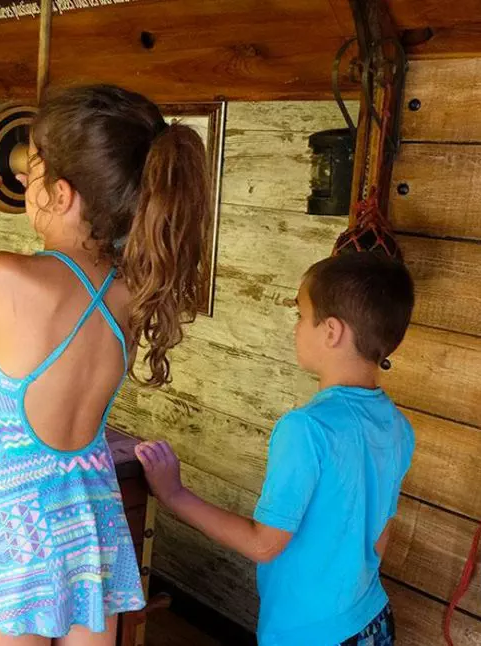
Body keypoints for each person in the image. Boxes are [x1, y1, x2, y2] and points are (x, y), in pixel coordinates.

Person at [0, 85, 213, 645]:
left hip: (15, 530)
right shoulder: (130, 291)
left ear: (63, 193)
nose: (24, 184)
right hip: (90, 521)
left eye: (31, 172)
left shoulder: (7, 277)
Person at [135, 252, 416, 646]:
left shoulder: (306, 428)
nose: (296, 327)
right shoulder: (398, 426)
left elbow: (264, 544)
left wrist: (174, 494)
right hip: (372, 619)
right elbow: (379, 541)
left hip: (309, 635)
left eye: (301, 315)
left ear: (332, 331)